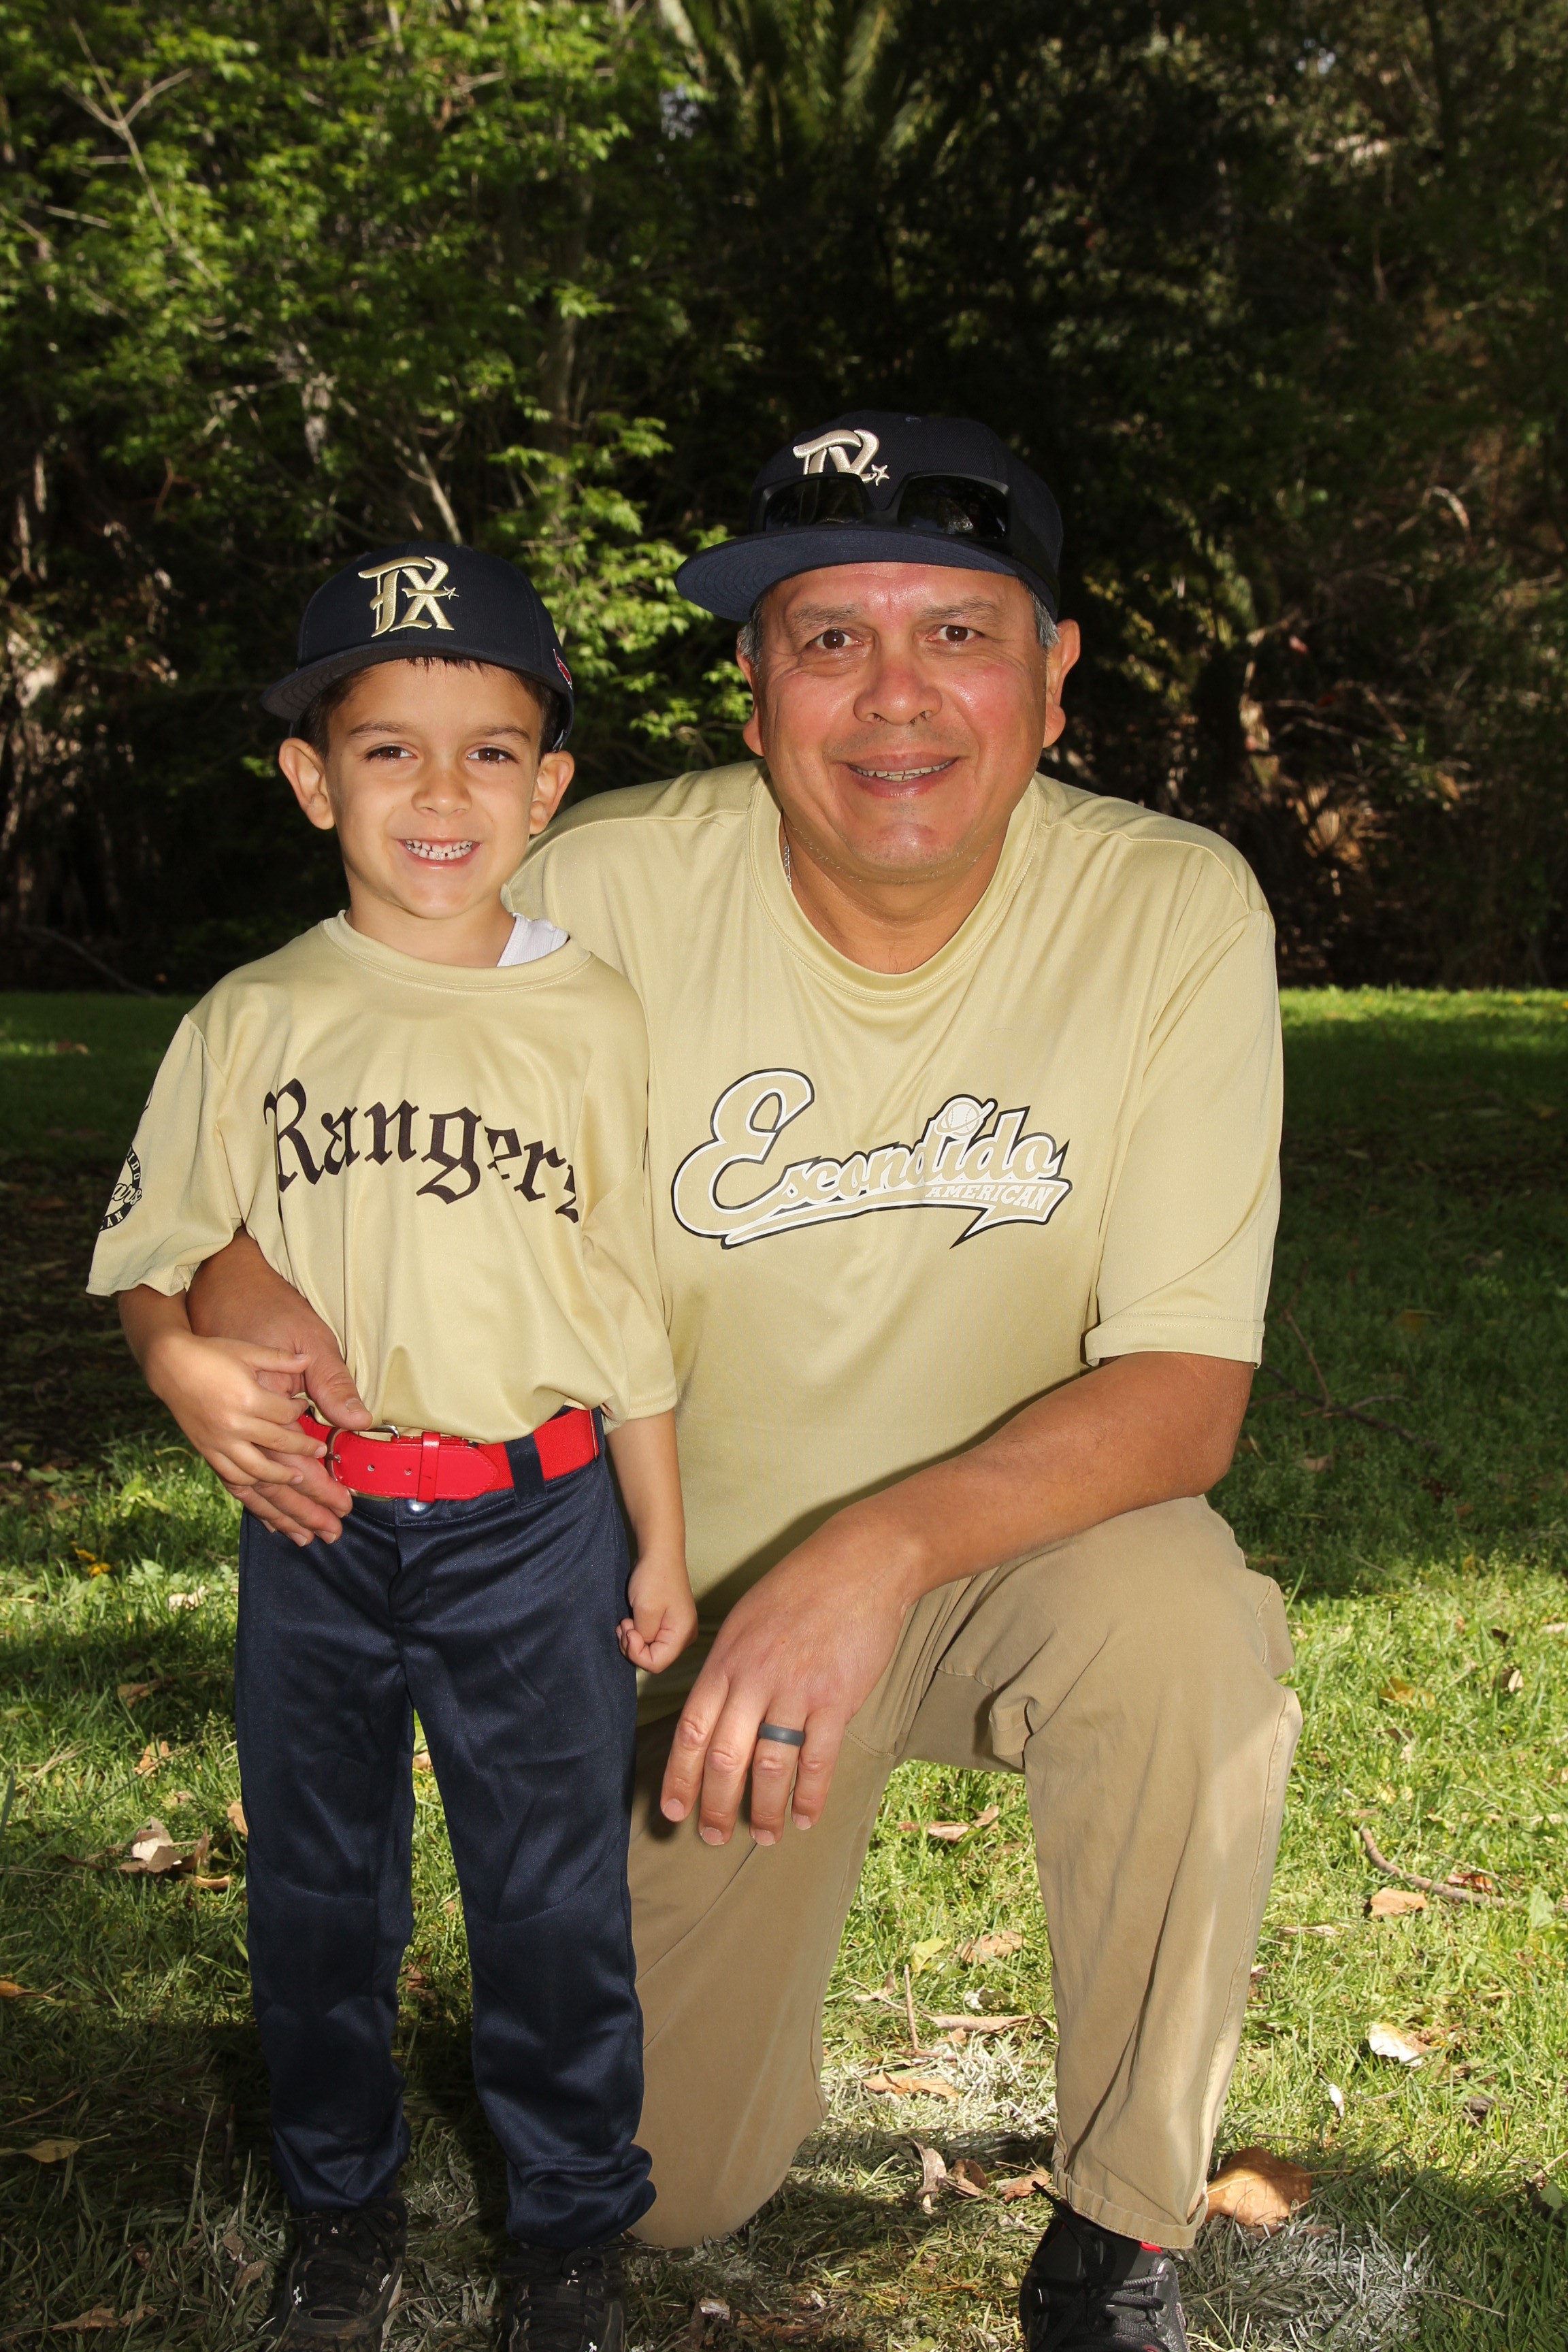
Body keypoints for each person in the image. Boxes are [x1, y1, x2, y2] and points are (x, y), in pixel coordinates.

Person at [173, 415, 1300, 2352]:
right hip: (670, 1620)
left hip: (1002, 1562)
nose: (894, 697)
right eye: (827, 637)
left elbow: (1186, 1391)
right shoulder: (592, 892)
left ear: (1053, 677)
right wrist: (242, 1292)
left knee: (1192, 1626)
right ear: (756, 689)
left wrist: (870, 1559)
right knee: (668, 2183)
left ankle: (1122, 2236)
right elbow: (278, 1138)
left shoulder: (1170, 907)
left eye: (958, 632)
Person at [88, 542, 696, 2352]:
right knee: (317, 1892)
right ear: (310, 779)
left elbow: (627, 1305)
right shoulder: (254, 1015)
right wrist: (180, 1367)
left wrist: (664, 1541)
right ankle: (341, 2209)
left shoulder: (594, 1015)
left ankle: (569, 2230)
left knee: (552, 1899)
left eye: (490, 751)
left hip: (541, 1518)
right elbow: (152, 1253)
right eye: (387, 751)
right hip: (323, 1521)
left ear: (549, 787)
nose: (442, 793)